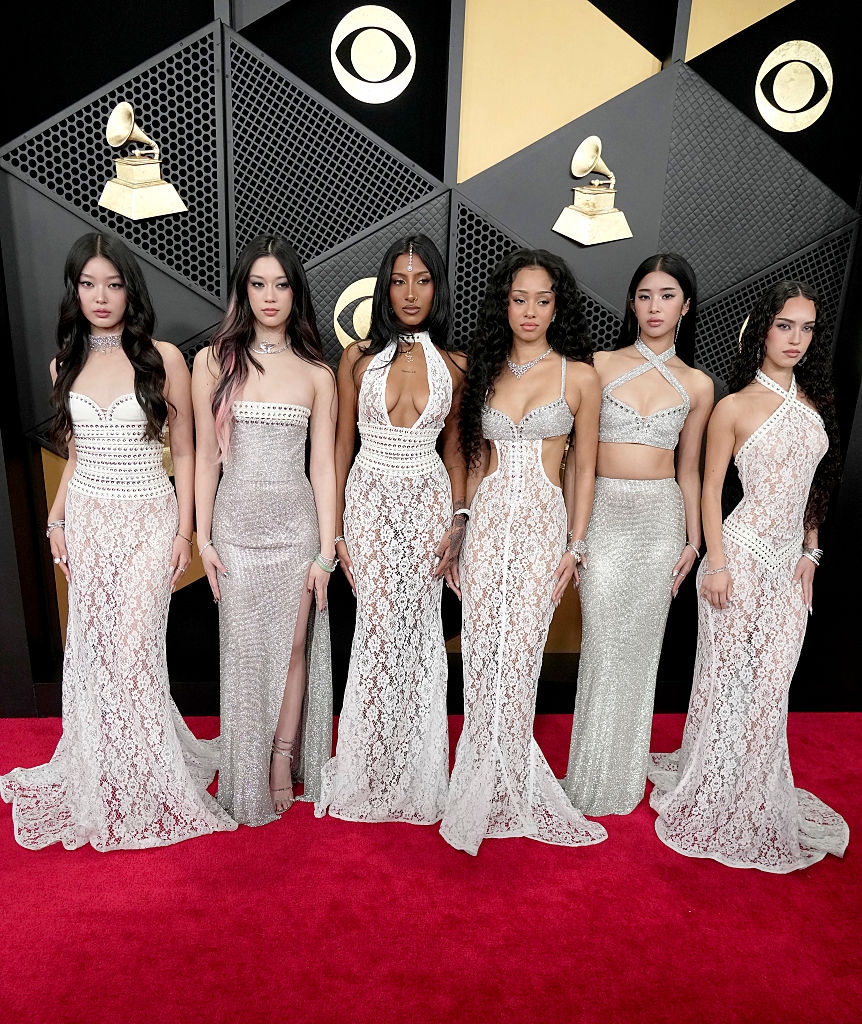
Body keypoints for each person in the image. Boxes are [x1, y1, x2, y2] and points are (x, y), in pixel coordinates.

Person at [0, 232, 237, 850]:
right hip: (87, 520)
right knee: (98, 651)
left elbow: (184, 451)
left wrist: (185, 530)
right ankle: (104, 766)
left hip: (147, 519)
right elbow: (75, 455)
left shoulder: (163, 359)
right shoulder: (65, 362)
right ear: (74, 292)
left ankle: (147, 774)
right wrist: (55, 519)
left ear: (131, 289)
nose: (101, 297)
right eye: (88, 285)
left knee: (134, 649)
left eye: (113, 283)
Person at [648, 280, 848, 871]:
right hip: (738, 554)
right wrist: (717, 561)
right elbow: (710, 490)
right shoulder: (733, 407)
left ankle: (757, 790)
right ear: (761, 327)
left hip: (789, 566)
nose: (796, 339)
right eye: (785, 325)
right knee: (723, 679)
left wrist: (811, 555)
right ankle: (714, 788)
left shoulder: (814, 407)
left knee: (768, 686)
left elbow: (815, 490)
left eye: (807, 328)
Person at [439, 247, 608, 856]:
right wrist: (460, 525)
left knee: (521, 661)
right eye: (519, 299)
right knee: (483, 659)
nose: (530, 311)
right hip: (485, 529)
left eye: (542, 300)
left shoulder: (578, 377)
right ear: (504, 304)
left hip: (541, 530)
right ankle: (482, 781)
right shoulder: (483, 371)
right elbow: (474, 461)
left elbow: (584, 469)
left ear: (557, 305)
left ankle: (507, 781)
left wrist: (576, 544)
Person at [315, 234, 467, 825]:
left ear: (436, 288)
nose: (410, 292)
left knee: (420, 632)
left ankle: (416, 769)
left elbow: (456, 452)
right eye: (399, 281)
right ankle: (367, 766)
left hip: (428, 502)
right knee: (376, 632)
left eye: (423, 280)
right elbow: (340, 446)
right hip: (370, 500)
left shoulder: (456, 364)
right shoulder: (356, 357)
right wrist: (339, 532)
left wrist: (458, 518)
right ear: (384, 288)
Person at [560, 253, 714, 817]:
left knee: (640, 651)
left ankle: (621, 777)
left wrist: (693, 543)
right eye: (645, 295)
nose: (655, 306)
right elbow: (577, 456)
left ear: (686, 305)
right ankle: (588, 775)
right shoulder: (597, 365)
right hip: (603, 513)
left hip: (660, 521)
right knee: (602, 645)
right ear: (632, 303)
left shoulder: (699, 385)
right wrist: (573, 532)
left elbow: (691, 468)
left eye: (667, 295)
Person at [192, 234, 336, 826]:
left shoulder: (317, 373)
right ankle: (248, 760)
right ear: (242, 291)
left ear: (296, 292)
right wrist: (202, 539)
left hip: (296, 528)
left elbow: (324, 465)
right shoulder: (213, 362)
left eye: (280, 284)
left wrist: (326, 549)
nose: (269, 296)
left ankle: (281, 758)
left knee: (295, 646)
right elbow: (204, 458)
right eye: (258, 284)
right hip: (235, 530)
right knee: (245, 650)